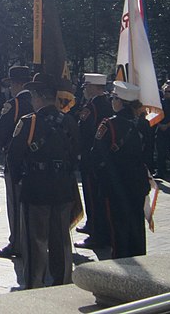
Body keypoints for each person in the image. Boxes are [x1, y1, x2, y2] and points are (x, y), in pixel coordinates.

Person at [8, 72, 79, 289]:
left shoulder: (29, 123)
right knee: (62, 240)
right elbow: (77, 153)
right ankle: (63, 283)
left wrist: (23, 180)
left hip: (36, 190)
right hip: (63, 188)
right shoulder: (68, 121)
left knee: (36, 242)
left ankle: (35, 285)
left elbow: (13, 158)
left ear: (39, 96)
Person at [91, 81, 150, 258]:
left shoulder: (109, 124)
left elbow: (96, 155)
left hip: (116, 184)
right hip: (138, 182)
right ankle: (139, 258)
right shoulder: (143, 124)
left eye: (114, 98)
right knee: (136, 226)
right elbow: (148, 154)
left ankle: (122, 263)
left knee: (118, 229)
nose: (112, 101)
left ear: (120, 101)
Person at [0, 65, 33, 259]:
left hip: (16, 159)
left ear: (17, 84)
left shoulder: (14, 104)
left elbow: (0, 132)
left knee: (15, 203)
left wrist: (0, 147)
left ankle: (16, 242)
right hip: (36, 161)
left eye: (11, 84)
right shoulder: (37, 101)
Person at [74, 73, 114, 249]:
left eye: (86, 86)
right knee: (100, 195)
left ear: (93, 87)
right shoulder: (109, 103)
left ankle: (96, 235)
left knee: (92, 196)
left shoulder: (91, 106)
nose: (84, 89)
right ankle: (95, 226)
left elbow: (85, 132)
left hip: (90, 157)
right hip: (104, 157)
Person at [154, 81, 170, 178]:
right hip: (160, 130)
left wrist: (167, 125)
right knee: (160, 152)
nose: (167, 93)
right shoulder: (159, 103)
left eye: (169, 91)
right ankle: (160, 171)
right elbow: (154, 115)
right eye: (166, 91)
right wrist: (160, 125)